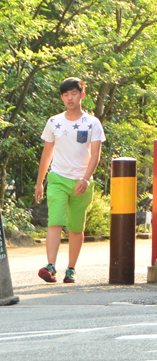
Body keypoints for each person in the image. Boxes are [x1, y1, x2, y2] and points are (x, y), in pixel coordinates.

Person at [34, 78, 105, 284]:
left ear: (82, 95)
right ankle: (51, 266)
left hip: (82, 182)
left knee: (76, 227)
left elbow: (95, 155)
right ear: (62, 97)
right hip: (57, 178)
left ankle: (71, 269)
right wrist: (40, 182)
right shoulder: (54, 122)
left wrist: (86, 178)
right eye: (65, 95)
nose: (69, 98)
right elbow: (47, 154)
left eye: (73, 93)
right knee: (55, 221)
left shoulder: (92, 123)